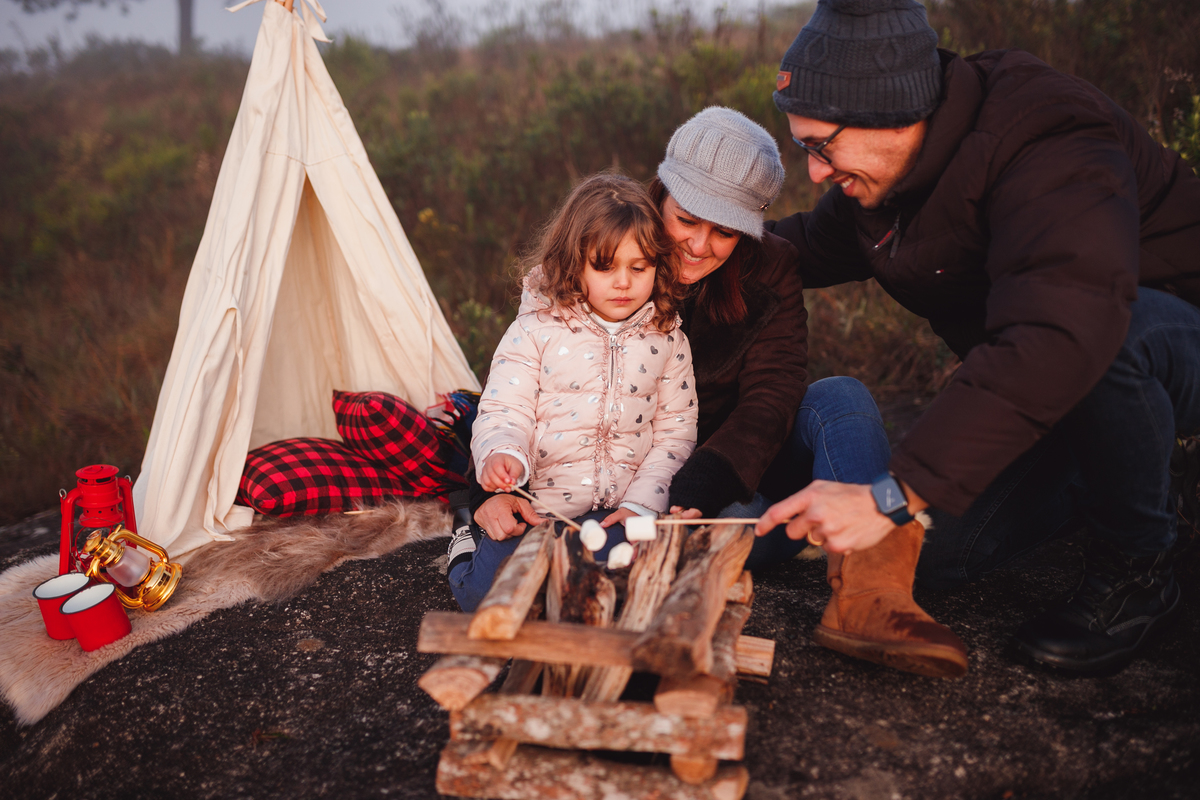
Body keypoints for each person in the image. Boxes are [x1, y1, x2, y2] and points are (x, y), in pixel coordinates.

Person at [759, 0, 1200, 675]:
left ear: (893, 112)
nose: (815, 170)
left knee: (1110, 339)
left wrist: (890, 494)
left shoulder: (1046, 135)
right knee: (937, 551)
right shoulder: (883, 178)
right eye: (803, 149)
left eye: (822, 145)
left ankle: (1140, 566)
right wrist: (681, 253)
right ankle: (1113, 464)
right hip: (1050, 378)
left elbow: (1060, 330)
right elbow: (799, 250)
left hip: (1161, 336)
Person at [461, 106, 968, 677]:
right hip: (639, 493)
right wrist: (489, 486)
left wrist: (704, 481)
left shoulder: (771, 268)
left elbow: (773, 394)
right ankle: (746, 543)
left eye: (725, 230)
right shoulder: (602, 257)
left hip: (719, 473)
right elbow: (525, 391)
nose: (700, 246)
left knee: (840, 397)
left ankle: (874, 596)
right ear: (661, 196)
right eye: (687, 220)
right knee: (705, 537)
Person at [446, 172, 698, 612]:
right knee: (485, 599)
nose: (623, 282)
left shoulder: (668, 337)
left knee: (617, 594)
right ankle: (467, 541)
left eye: (639, 268)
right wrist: (503, 454)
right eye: (605, 267)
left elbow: (676, 432)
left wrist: (645, 502)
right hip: (539, 511)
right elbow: (505, 409)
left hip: (618, 512)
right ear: (573, 262)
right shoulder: (534, 331)